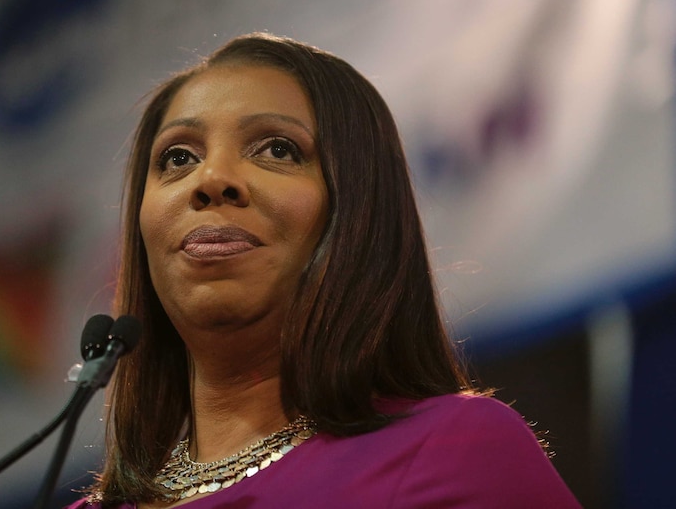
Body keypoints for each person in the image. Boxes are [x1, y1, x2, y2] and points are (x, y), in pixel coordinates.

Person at [67, 33, 581, 508]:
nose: (212, 179)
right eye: (178, 157)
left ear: (357, 214)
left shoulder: (454, 450)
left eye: (277, 149)